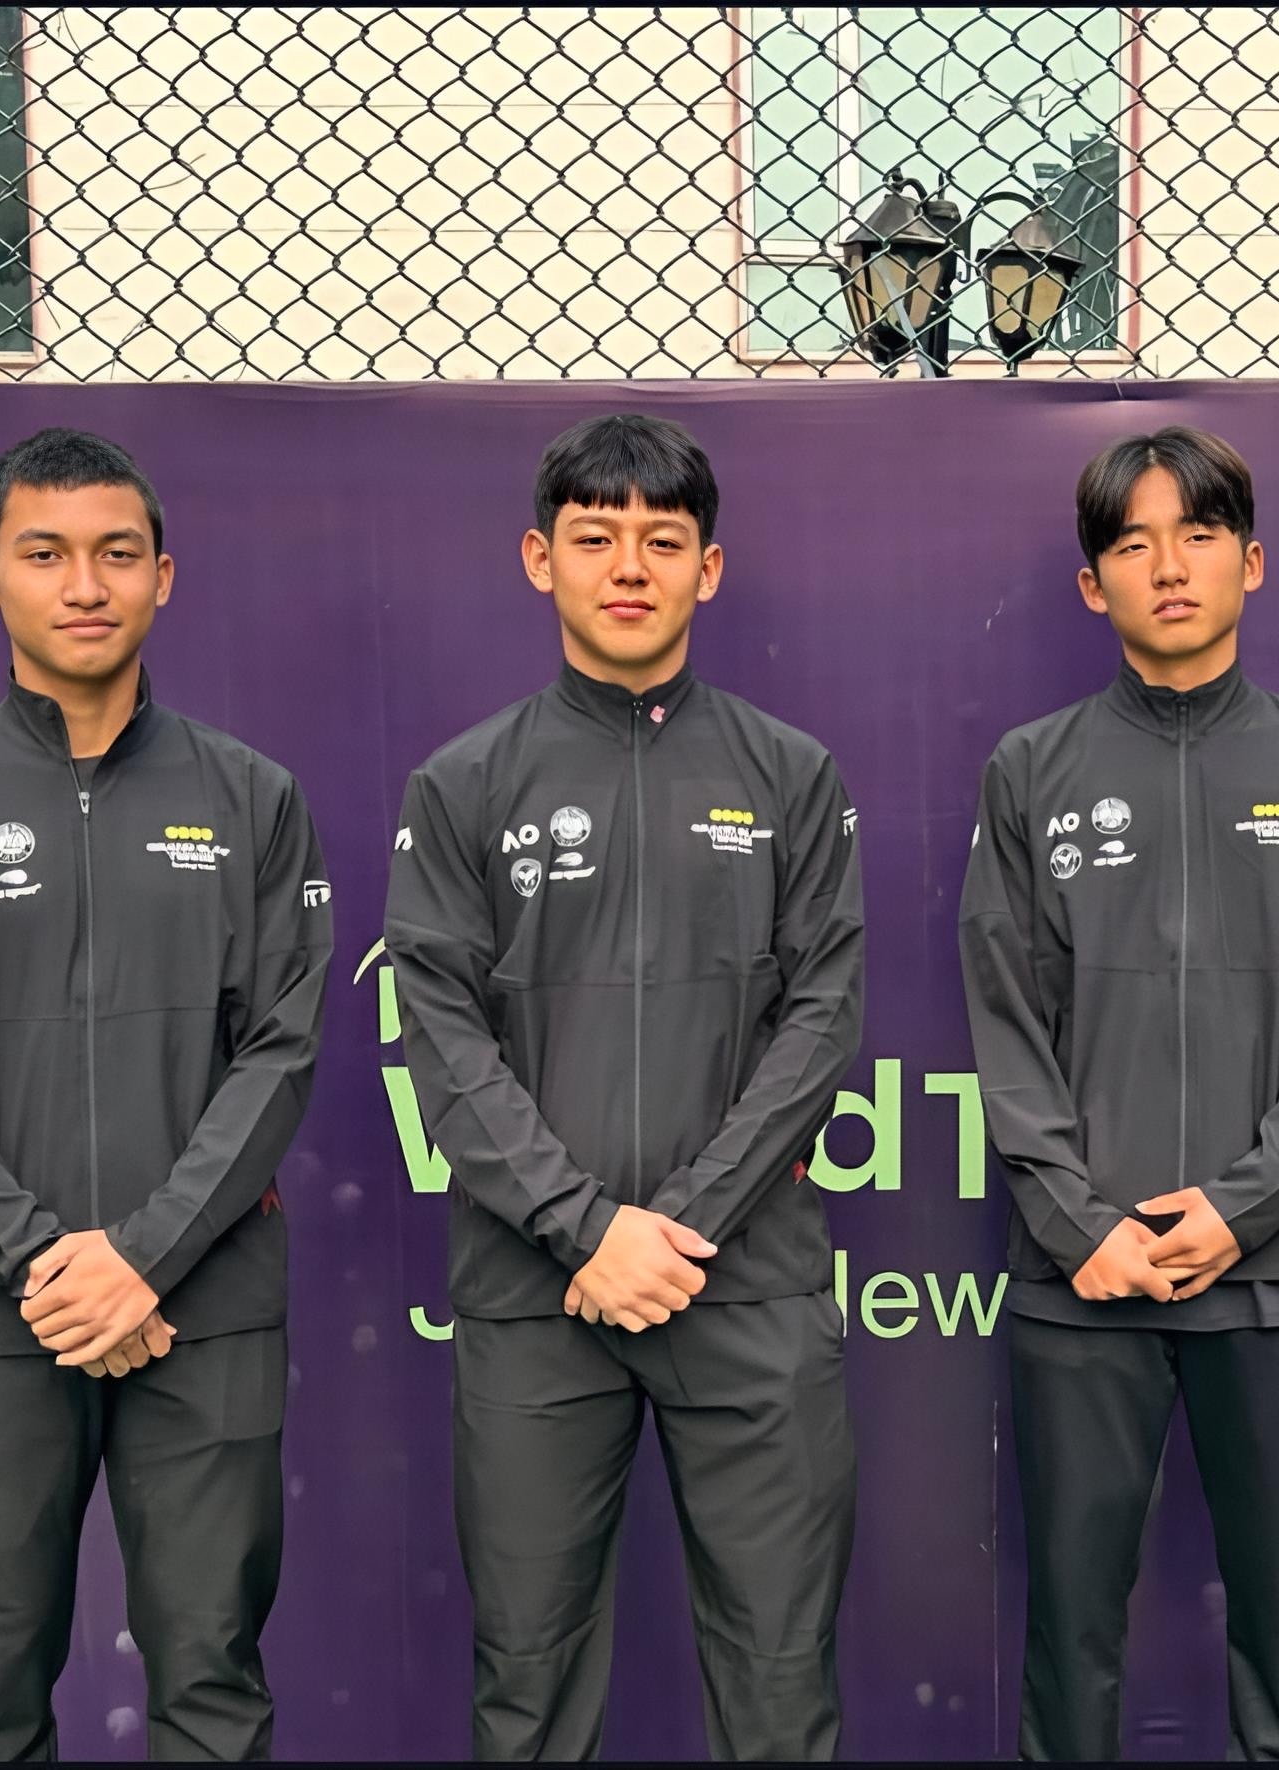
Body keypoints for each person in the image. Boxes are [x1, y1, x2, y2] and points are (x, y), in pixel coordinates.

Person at [0, 427, 333, 1759]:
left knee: (213, 1685)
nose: (85, 585)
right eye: (45, 554)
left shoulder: (252, 797)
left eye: (117, 554)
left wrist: (145, 1257)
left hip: (203, 1304)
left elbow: (279, 1050)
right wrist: (48, 1262)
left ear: (164, 575)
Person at [382, 413, 865, 1761]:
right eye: (595, 539)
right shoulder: (464, 783)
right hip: (537, 1294)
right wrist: (586, 1229)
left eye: (663, 540)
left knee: (780, 1679)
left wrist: (680, 1225)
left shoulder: (791, 775)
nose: (630, 567)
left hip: (749, 1288)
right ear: (539, 559)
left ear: (710, 568)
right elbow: (442, 1035)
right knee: (528, 1685)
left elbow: (822, 1019)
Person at [959, 425, 1279, 1759]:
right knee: (1069, 1645)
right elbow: (1004, 1015)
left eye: (1199, 535)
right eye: (1133, 543)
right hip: (1082, 1278)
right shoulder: (1029, 770)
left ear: (1250, 562)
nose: (1168, 567)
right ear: (1091, 582)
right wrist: (1077, 1221)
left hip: (1278, 1277)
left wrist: (1240, 1205)